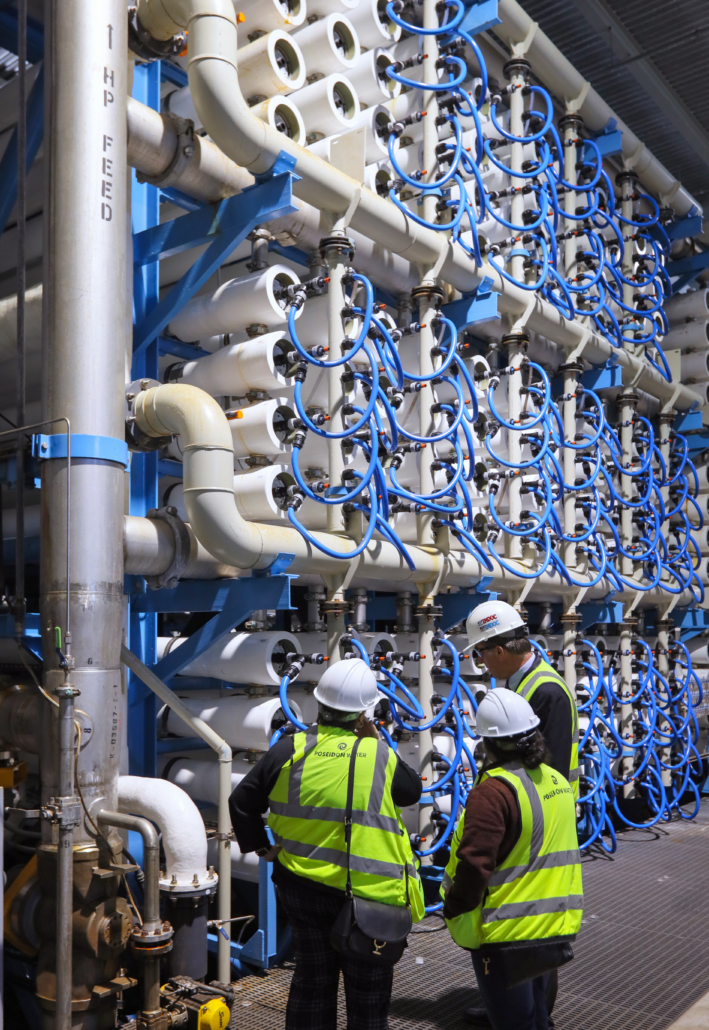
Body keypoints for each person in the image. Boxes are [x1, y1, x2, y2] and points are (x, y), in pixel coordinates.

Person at [229, 657, 425, 1030]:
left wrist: (260, 847)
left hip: (301, 888)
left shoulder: (289, 750)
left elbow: (240, 802)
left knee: (312, 983)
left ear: (320, 704)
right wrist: (376, 741)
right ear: (363, 715)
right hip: (368, 895)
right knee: (368, 997)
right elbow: (411, 791)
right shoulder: (379, 755)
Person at [442, 688, 583, 1030]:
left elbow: (476, 864)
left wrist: (454, 905)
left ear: (486, 744)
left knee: (515, 1023)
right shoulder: (557, 782)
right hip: (554, 925)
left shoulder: (493, 793)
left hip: (508, 934)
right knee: (538, 1018)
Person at [466, 602, 579, 795]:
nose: (479, 661)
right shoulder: (524, 682)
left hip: (547, 816)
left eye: (480, 652)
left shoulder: (547, 691)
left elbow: (553, 770)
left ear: (500, 651)